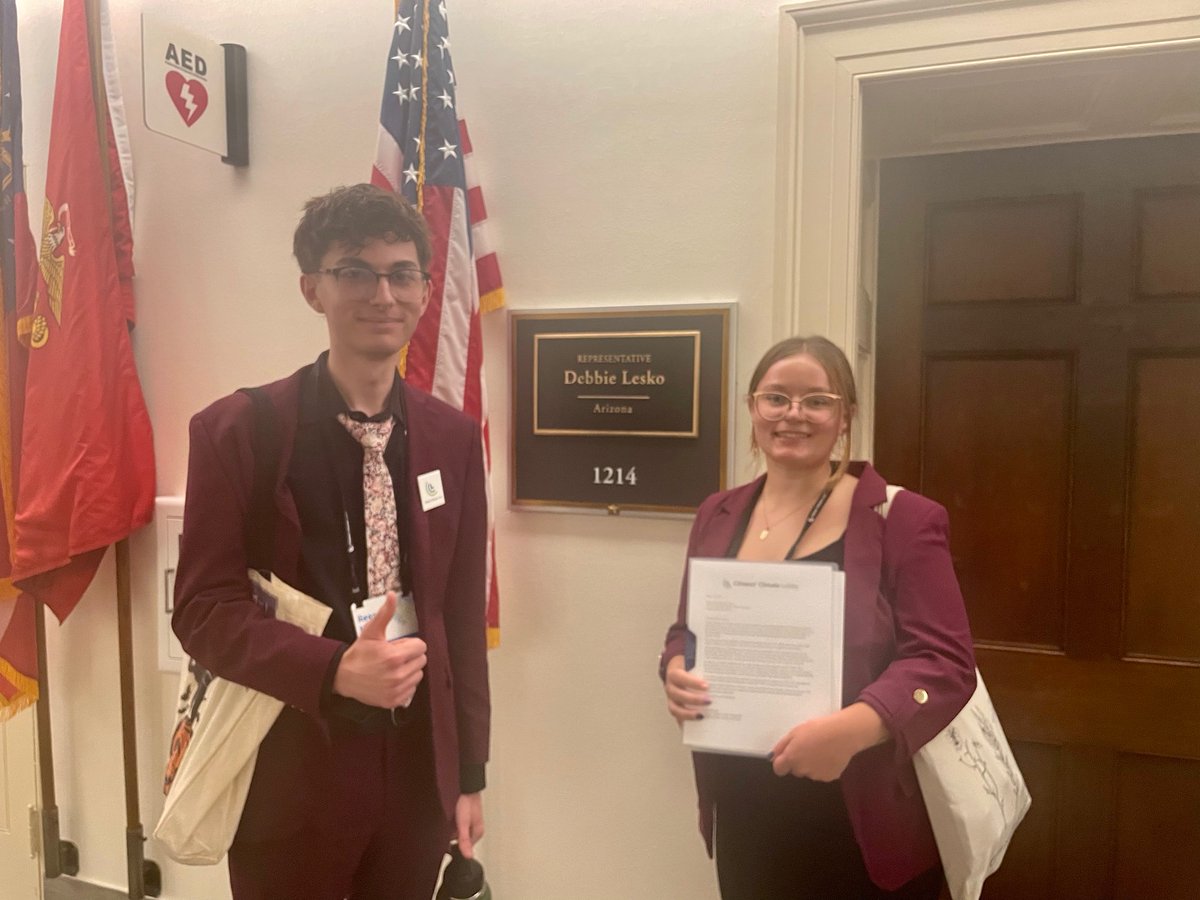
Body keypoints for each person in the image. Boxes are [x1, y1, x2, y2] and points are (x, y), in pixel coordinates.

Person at [173, 184, 490, 900]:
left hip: (416, 777)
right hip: (290, 768)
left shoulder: (452, 438)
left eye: (401, 273)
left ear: (424, 288)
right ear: (313, 288)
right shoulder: (237, 431)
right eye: (356, 271)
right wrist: (333, 669)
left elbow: (458, 618)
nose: (383, 293)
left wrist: (468, 778)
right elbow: (202, 609)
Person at [661, 335, 976, 899]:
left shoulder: (902, 519)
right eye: (775, 398)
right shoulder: (717, 512)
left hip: (858, 817)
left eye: (817, 400)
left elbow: (945, 662)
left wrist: (853, 728)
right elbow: (686, 629)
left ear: (845, 415)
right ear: (753, 409)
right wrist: (676, 669)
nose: (793, 415)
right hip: (744, 806)